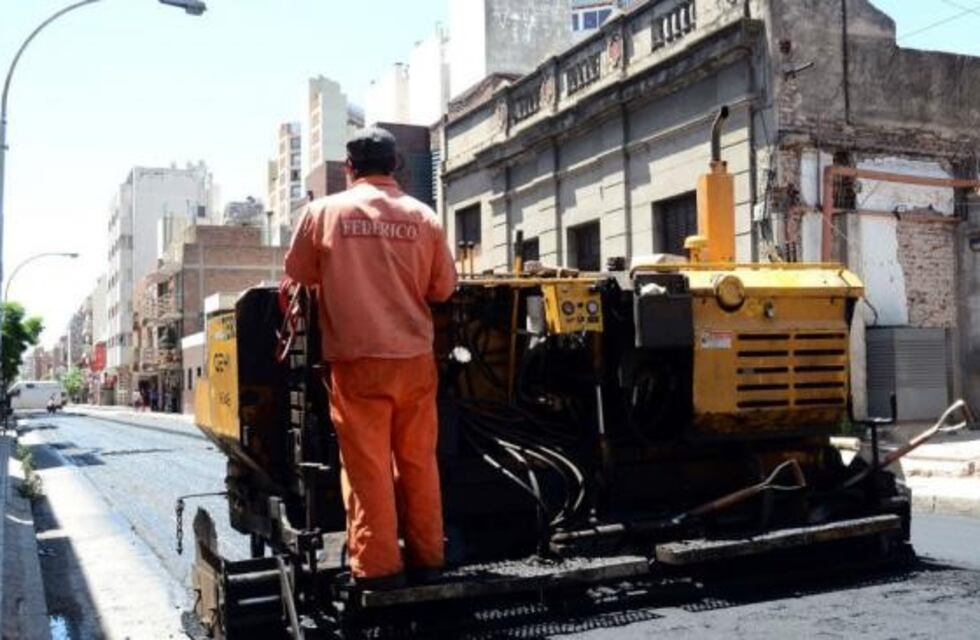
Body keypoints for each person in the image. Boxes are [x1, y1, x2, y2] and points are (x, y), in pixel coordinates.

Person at [285, 127, 457, 590]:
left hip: (357, 361)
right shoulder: (424, 217)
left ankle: (379, 570)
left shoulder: (323, 212)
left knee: (369, 468)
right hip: (414, 358)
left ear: (349, 169)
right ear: (396, 165)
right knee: (419, 461)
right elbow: (442, 288)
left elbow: (299, 272)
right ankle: (428, 558)